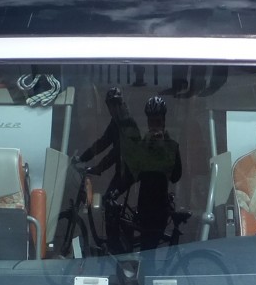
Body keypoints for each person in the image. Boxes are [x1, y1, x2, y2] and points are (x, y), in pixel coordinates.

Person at [74, 88, 141, 251]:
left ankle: (116, 245)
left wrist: (98, 168)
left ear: (120, 104)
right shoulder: (116, 122)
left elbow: (116, 152)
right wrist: (82, 158)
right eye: (110, 105)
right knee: (110, 204)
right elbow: (103, 142)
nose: (112, 109)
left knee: (109, 203)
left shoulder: (127, 123)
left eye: (115, 104)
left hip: (130, 173)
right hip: (123, 171)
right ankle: (115, 241)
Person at [128, 95, 183, 250]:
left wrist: (163, 148)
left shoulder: (172, 146)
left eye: (157, 122)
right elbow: (134, 172)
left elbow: (176, 176)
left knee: (150, 250)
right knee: (145, 249)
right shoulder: (142, 145)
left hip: (160, 208)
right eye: (151, 122)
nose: (155, 126)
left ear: (164, 122)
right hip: (144, 207)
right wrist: (146, 146)